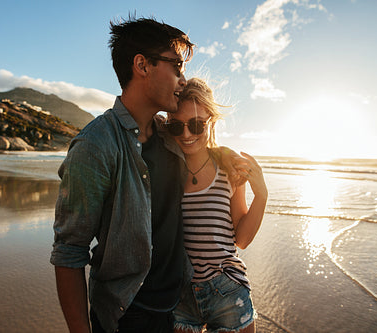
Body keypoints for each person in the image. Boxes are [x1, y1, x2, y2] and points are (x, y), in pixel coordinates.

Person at [50, 17, 239, 333]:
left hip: (181, 309)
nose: (182, 79)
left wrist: (225, 154)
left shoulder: (171, 135)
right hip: (127, 315)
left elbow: (199, 143)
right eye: (176, 67)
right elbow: (69, 251)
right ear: (142, 65)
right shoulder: (96, 145)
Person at [165, 78, 268, 333]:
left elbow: (241, 239)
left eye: (197, 124)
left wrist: (262, 195)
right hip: (180, 295)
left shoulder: (228, 170)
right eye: (177, 127)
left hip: (227, 291)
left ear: (211, 120)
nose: (187, 134)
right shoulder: (166, 167)